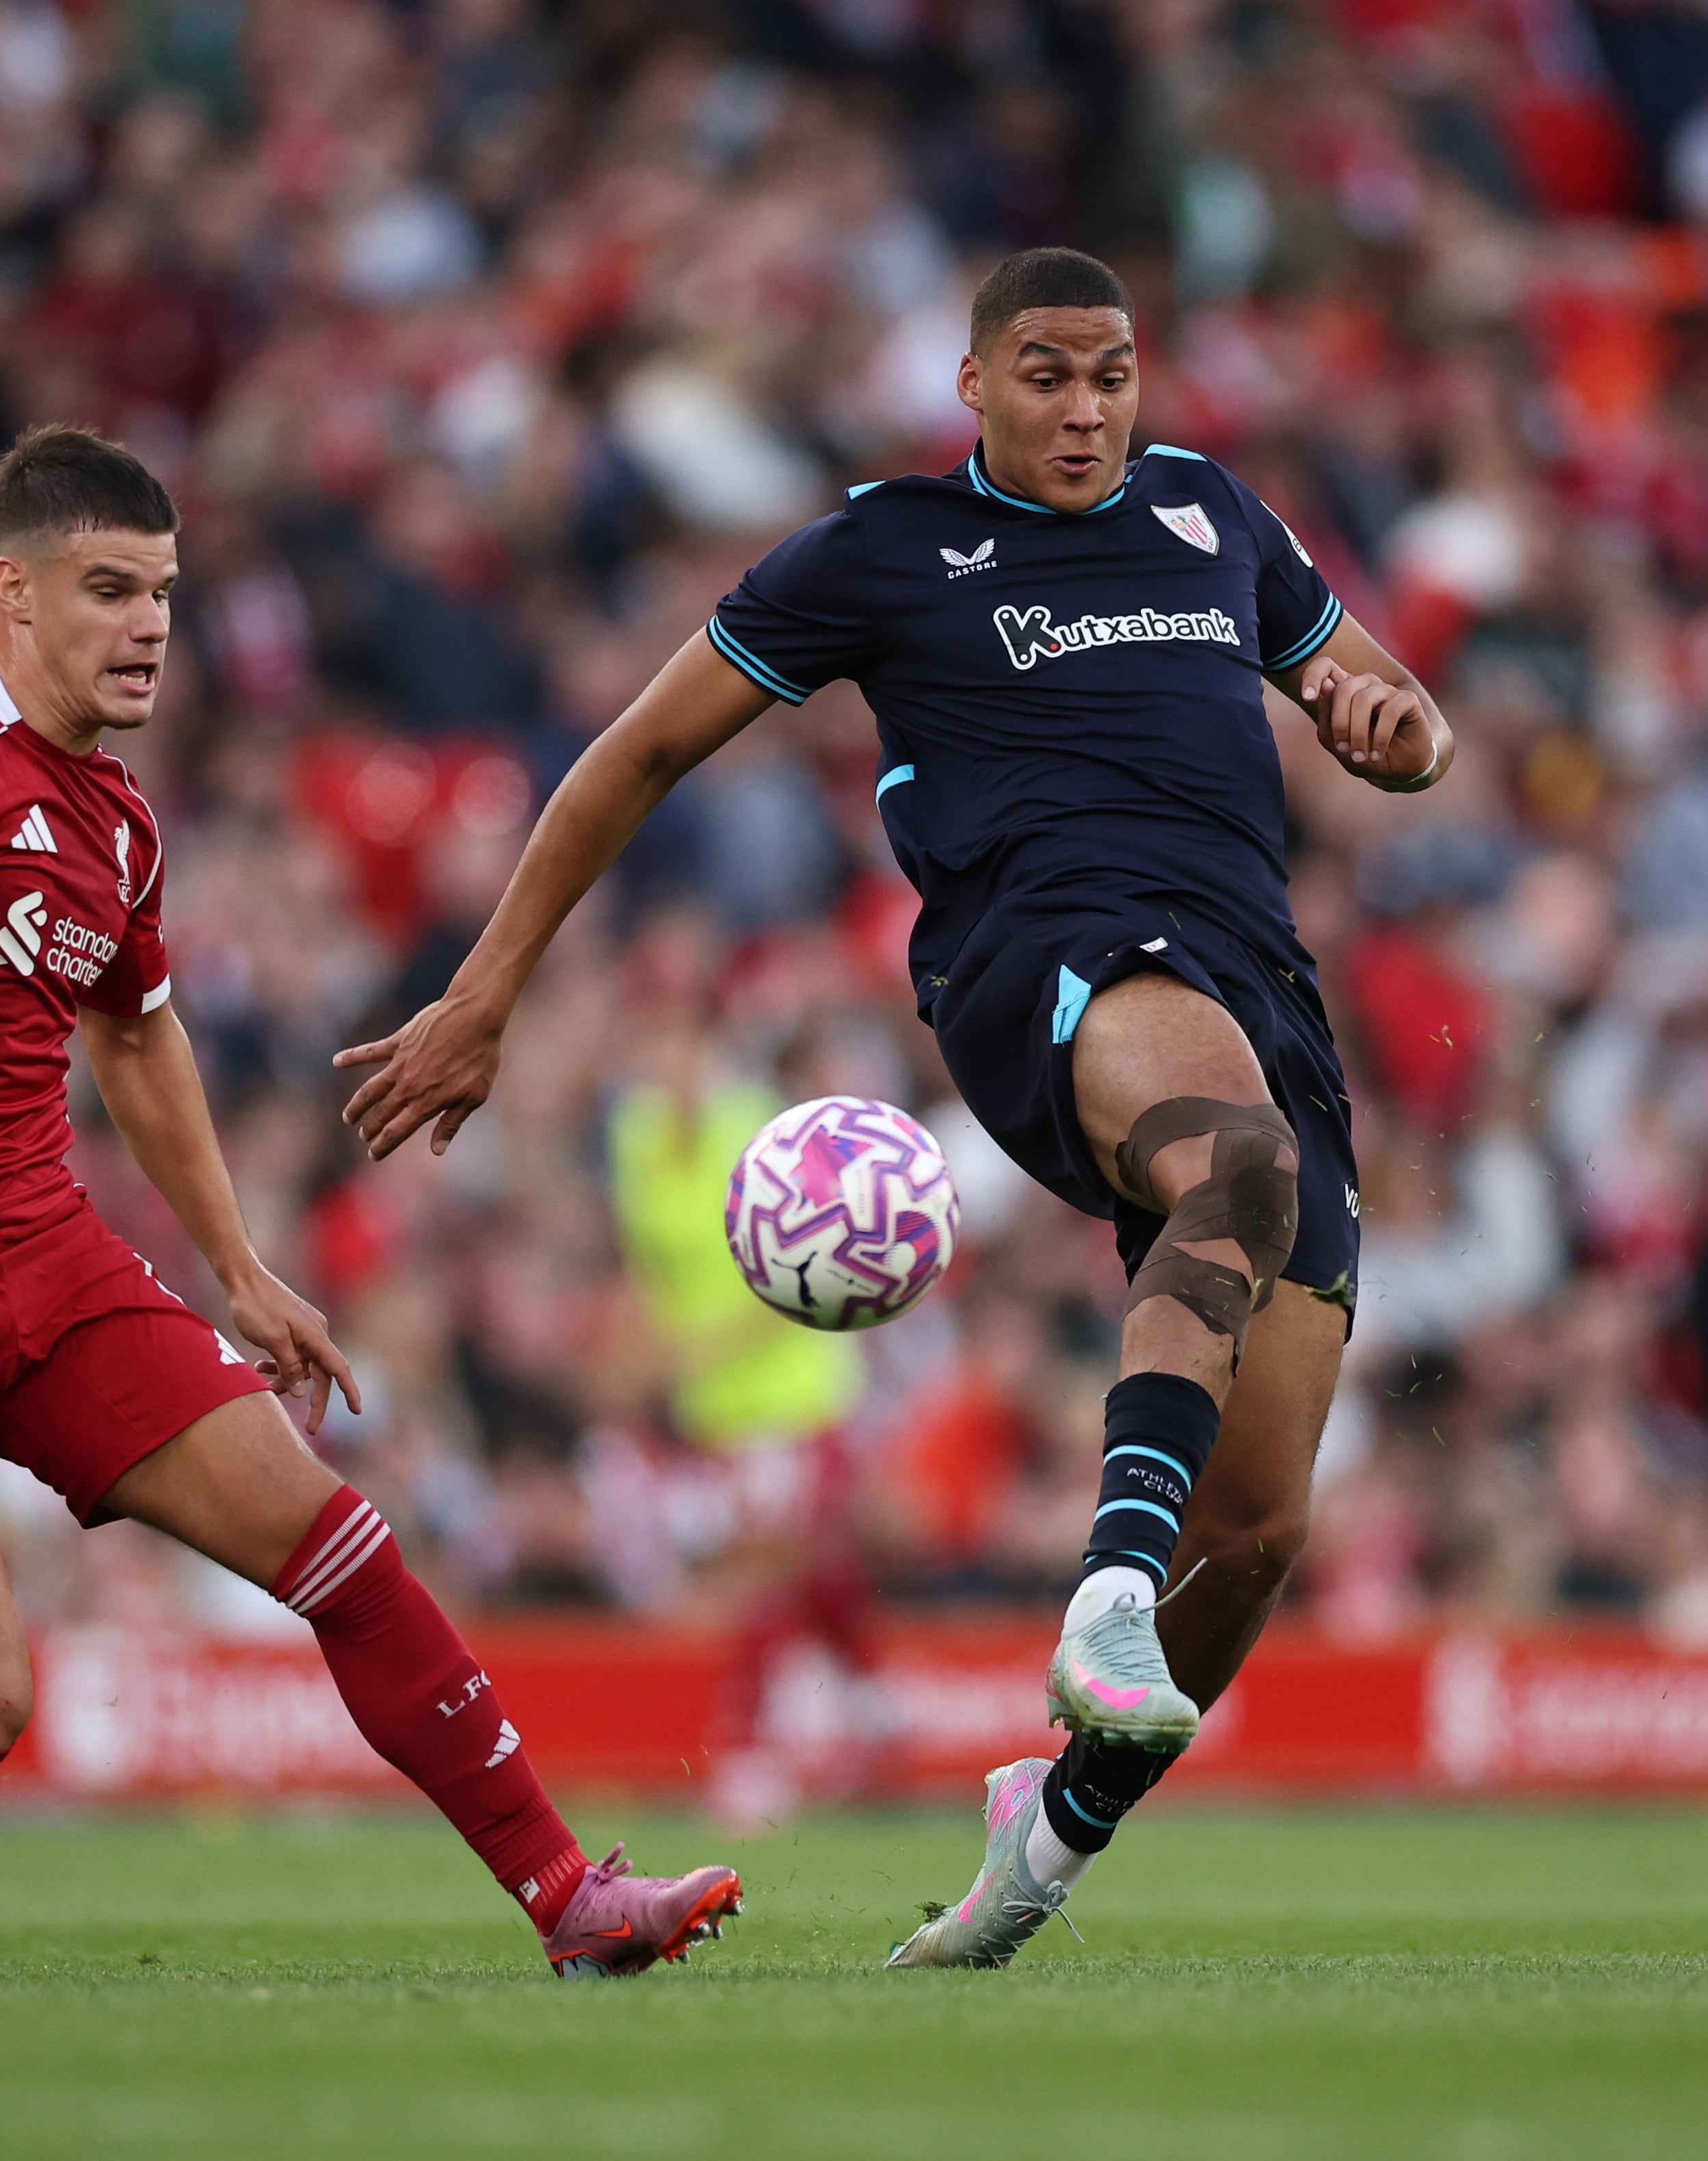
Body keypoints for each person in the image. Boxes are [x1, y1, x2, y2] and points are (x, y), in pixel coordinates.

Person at [335, 248, 1454, 1968]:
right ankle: (1099, 1595)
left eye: (1110, 376)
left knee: (1254, 1533)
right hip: (1044, 953)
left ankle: (1043, 1837)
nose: (1083, 410)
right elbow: (633, 748)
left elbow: (1388, 713)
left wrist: (1396, 732)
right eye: (1044, 374)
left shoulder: (1212, 518)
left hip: (1258, 985)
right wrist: (486, 990)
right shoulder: (882, 549)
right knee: (1228, 1160)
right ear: (971, 383)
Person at [0, 424, 739, 1981]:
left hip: (42, 1251)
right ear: (14, 594)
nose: (148, 625)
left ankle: (569, 1898)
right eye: (107, 590)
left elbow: (137, 1029)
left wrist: (237, 1266)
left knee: (343, 1550)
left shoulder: (116, 816)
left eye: (162, 593)